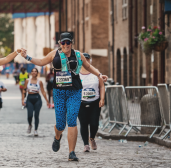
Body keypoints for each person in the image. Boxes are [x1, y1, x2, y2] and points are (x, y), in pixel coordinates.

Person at [20, 32, 106, 162]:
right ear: (60, 43)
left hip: (75, 92)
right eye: (63, 42)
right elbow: (42, 62)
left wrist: (100, 75)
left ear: (71, 43)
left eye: (68, 42)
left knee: (72, 120)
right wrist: (27, 57)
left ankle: (71, 152)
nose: (66, 45)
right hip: (59, 93)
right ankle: (57, 137)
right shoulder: (54, 54)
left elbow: (88, 66)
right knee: (60, 124)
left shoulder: (78, 55)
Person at [78, 53, 105, 152]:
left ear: (90, 60)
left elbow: (102, 86)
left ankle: (92, 138)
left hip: (95, 102)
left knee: (94, 124)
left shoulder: (96, 72)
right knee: (83, 123)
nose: (86, 61)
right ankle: (86, 144)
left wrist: (102, 99)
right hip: (81, 102)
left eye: (88, 59)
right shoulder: (77, 73)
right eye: (84, 59)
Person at [22, 68, 50, 136]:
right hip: (29, 98)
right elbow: (24, 90)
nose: (34, 72)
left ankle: (35, 130)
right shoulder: (27, 81)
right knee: (30, 115)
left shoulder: (39, 81)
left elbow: (43, 91)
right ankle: (30, 125)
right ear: (31, 72)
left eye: (35, 71)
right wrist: (23, 99)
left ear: (37, 73)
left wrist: (47, 101)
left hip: (37, 99)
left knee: (36, 115)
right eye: (33, 71)